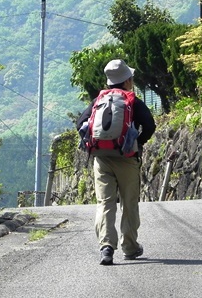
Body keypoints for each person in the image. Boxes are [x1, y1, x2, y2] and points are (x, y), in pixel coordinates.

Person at [76, 59, 156, 265]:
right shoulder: (132, 101)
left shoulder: (98, 101)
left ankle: (106, 247)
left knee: (105, 202)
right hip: (127, 158)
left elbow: (80, 124)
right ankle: (129, 247)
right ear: (128, 81)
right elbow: (150, 125)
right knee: (129, 202)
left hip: (101, 158)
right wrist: (136, 142)